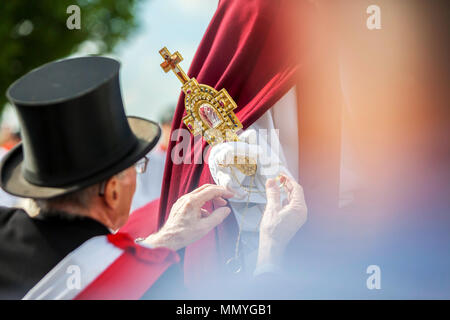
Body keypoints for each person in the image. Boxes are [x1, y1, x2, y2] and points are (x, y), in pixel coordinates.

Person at [0, 56, 307, 299]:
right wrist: (269, 253)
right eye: (134, 169)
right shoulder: (152, 289)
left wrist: (161, 242)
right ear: (112, 192)